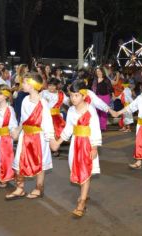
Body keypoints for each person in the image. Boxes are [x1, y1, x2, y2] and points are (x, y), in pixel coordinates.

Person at [52, 80, 101, 217]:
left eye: (77, 95)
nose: (73, 98)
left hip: (87, 144)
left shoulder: (91, 110)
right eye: (72, 95)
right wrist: (58, 142)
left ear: (84, 96)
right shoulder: (72, 110)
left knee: (85, 171)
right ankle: (84, 193)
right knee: (78, 170)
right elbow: (68, 129)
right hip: (75, 145)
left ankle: (82, 202)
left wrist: (94, 147)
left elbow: (95, 129)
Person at [5, 72, 56, 200]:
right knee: (19, 161)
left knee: (40, 163)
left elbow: (47, 122)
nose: (23, 84)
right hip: (25, 136)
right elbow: (23, 119)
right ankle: (19, 188)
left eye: (26, 82)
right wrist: (17, 129)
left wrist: (51, 139)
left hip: (39, 137)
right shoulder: (25, 100)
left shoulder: (43, 102)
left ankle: (39, 188)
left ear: (33, 85)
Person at [41, 78, 69, 156]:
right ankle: (46, 148)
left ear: (57, 86)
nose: (51, 88)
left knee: (56, 133)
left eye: (53, 86)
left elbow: (67, 101)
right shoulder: (43, 93)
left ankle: (55, 148)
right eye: (50, 86)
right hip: (45, 116)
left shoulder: (61, 94)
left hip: (56, 116)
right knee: (45, 132)